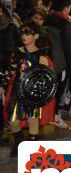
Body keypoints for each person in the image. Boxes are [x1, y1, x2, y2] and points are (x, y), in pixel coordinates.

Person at [4, 23, 55, 157]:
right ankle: (19, 141)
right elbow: (11, 71)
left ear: (36, 36)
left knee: (33, 119)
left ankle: (32, 148)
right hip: (17, 90)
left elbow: (47, 77)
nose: (24, 36)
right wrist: (2, 85)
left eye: (28, 33)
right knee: (13, 120)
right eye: (22, 33)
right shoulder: (16, 52)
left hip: (33, 92)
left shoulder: (41, 55)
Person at [45, 0, 71, 129]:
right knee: (58, 91)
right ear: (66, 8)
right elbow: (69, 48)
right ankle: (55, 116)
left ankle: (46, 117)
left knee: (47, 90)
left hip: (45, 61)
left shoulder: (45, 19)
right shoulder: (65, 24)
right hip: (59, 63)